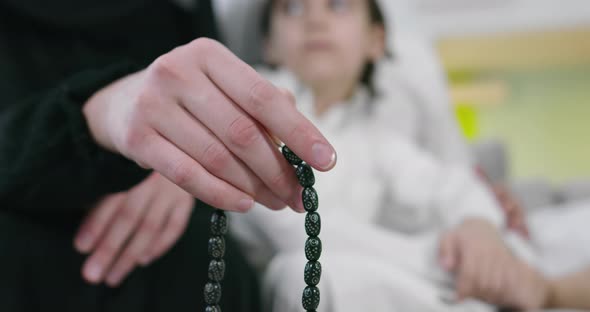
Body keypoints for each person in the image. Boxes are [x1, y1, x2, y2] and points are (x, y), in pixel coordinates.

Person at [0, 0, 337, 311]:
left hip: (167, 229)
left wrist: (181, 150)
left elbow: (198, 95)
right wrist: (99, 116)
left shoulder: (181, 9)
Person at [230, 0, 539, 311]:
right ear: (269, 46)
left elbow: (448, 185)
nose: (315, 19)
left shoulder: (373, 138)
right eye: (293, 8)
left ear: (375, 42)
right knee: (300, 275)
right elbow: (296, 233)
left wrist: (478, 227)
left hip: (376, 270)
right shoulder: (252, 110)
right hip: (300, 276)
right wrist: (448, 262)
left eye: (337, 6)